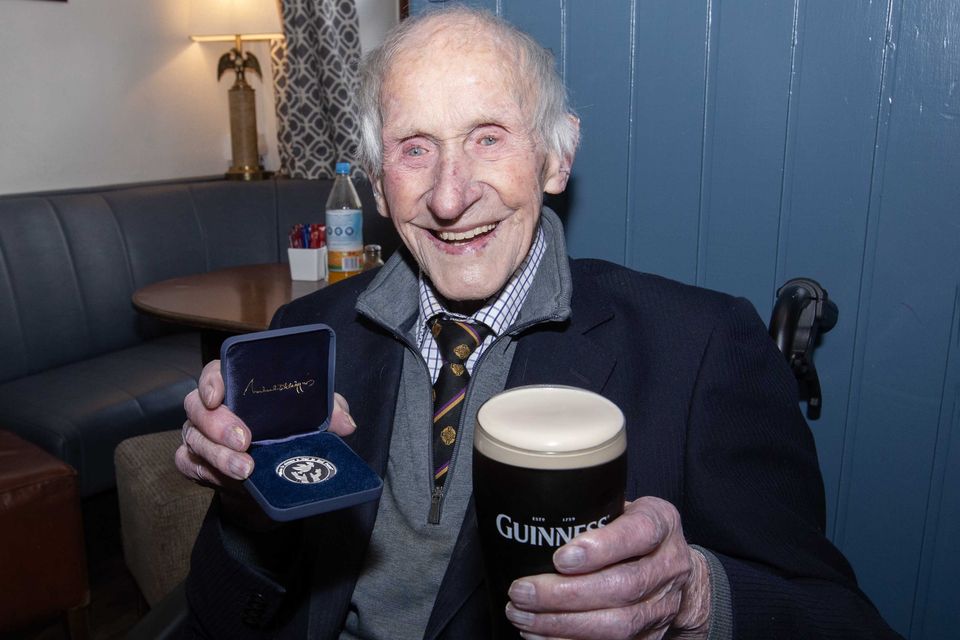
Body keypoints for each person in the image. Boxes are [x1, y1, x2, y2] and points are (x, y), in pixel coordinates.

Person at [176, 7, 900, 639]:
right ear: (375, 180)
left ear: (557, 156)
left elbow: (840, 620)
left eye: (488, 137)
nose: (451, 196)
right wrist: (248, 507)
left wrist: (691, 601)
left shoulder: (702, 348)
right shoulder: (306, 332)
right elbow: (215, 615)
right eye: (415, 149)